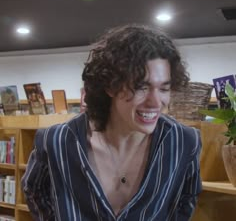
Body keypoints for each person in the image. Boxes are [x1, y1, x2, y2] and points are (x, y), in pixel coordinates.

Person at [22, 24, 202, 221]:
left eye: (164, 89)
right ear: (110, 86)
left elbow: (186, 198)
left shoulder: (183, 141)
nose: (156, 102)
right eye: (141, 87)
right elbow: (34, 190)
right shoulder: (56, 141)